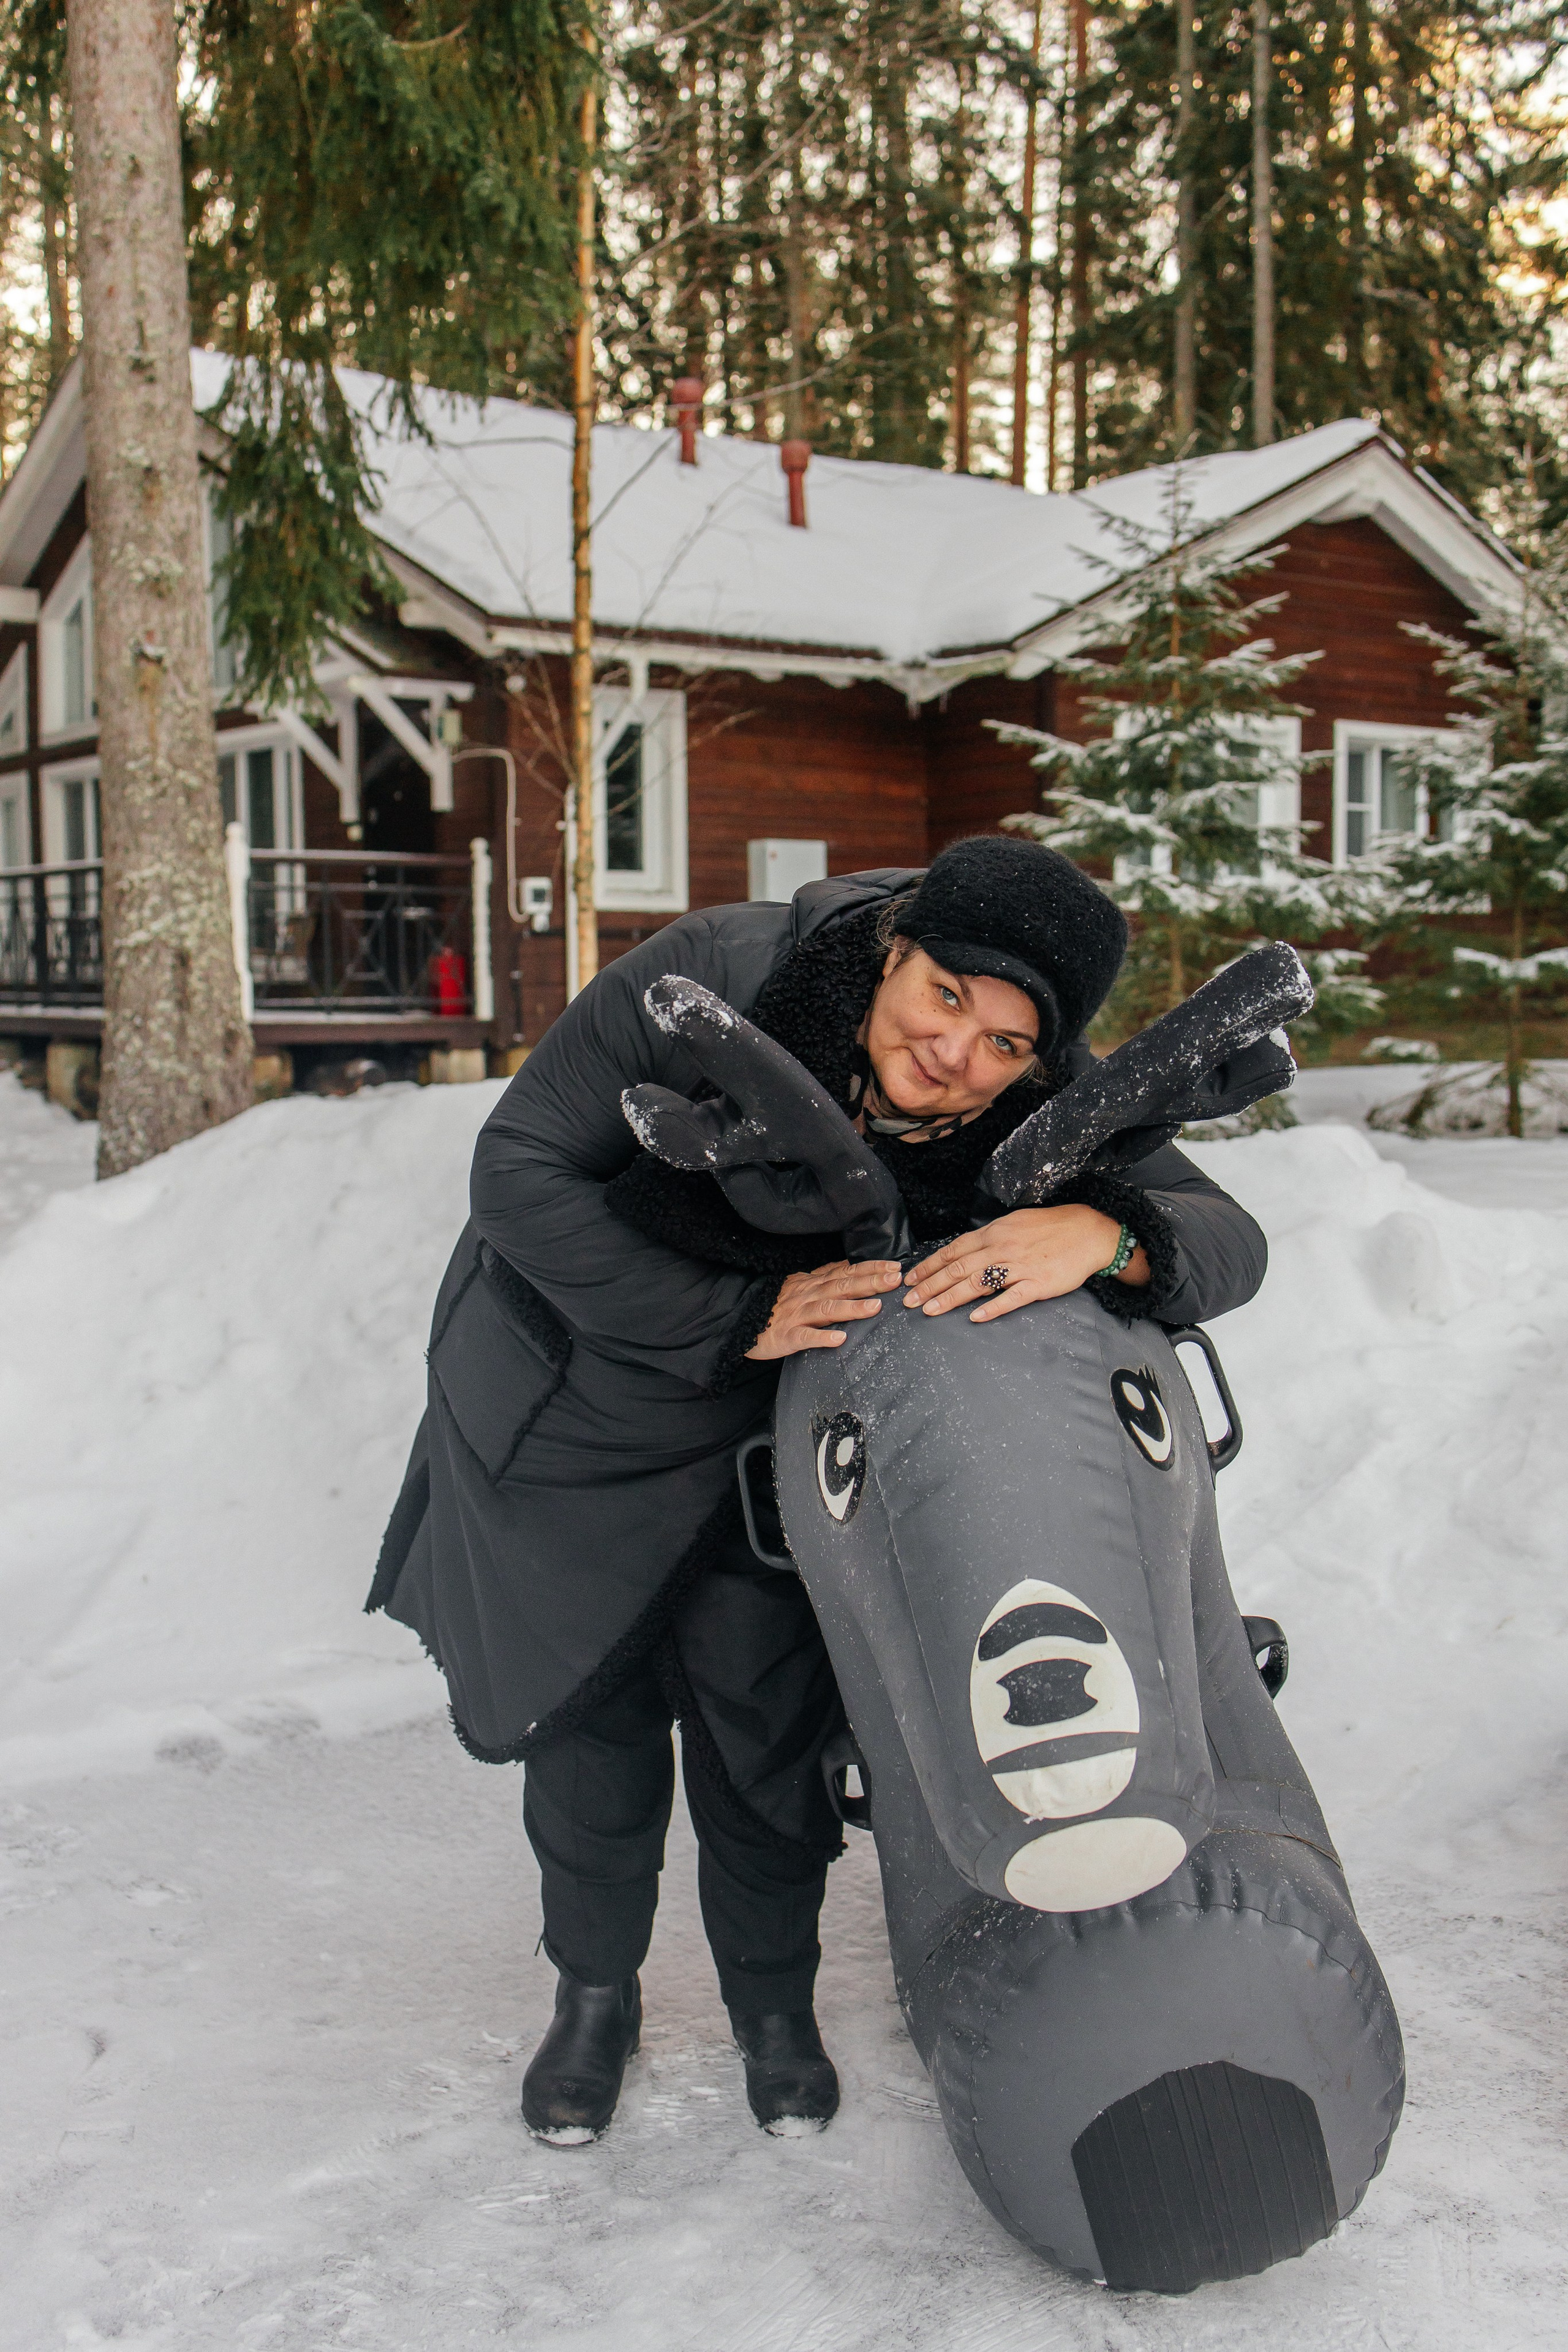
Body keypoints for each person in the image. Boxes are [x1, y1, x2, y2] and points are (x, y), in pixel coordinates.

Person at [367, 836, 1267, 2145]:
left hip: (775, 1455)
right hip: (586, 1412)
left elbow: (1230, 1238)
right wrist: (733, 1311)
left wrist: (1110, 1233)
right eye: (944, 995)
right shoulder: (714, 980)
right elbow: (516, 1173)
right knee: (591, 1730)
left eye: (1006, 1043)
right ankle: (593, 1998)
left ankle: (772, 2011)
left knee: (766, 1739)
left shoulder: (1036, 1101)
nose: (957, 1052)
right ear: (896, 944)